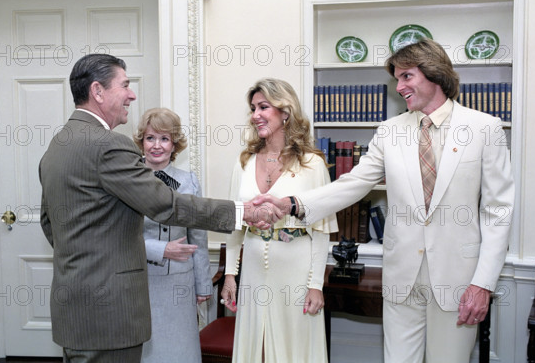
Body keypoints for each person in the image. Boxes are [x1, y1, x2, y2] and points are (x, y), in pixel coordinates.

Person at [259, 39, 515, 363]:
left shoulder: (484, 129)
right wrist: (292, 204)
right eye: (397, 78)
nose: (399, 86)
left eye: (406, 76)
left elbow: (498, 211)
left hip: (459, 281)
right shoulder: (389, 131)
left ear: (433, 73)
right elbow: (354, 183)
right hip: (400, 280)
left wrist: (483, 283)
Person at [38, 53, 281, 363]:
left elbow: (49, 223)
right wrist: (241, 212)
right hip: (111, 312)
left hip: (74, 308)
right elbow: (164, 204)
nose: (131, 94)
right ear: (98, 91)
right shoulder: (109, 145)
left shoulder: (58, 145)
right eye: (124, 85)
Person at [221, 78, 338, 363]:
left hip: (296, 273)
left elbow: (322, 231)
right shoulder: (244, 161)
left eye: (264, 107)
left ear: (285, 112)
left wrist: (316, 285)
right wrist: (229, 275)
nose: (255, 115)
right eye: (253, 108)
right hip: (253, 272)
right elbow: (235, 222)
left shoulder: (313, 164)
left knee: (295, 350)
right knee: (255, 351)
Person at [134, 107, 211, 363]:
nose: (156, 146)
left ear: (174, 144)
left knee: (181, 352)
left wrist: (203, 284)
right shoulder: (128, 180)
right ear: (141, 141)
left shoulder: (189, 181)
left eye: (164, 138)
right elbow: (119, 235)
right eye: (150, 138)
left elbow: (197, 237)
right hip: (140, 280)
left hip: (180, 282)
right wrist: (159, 249)